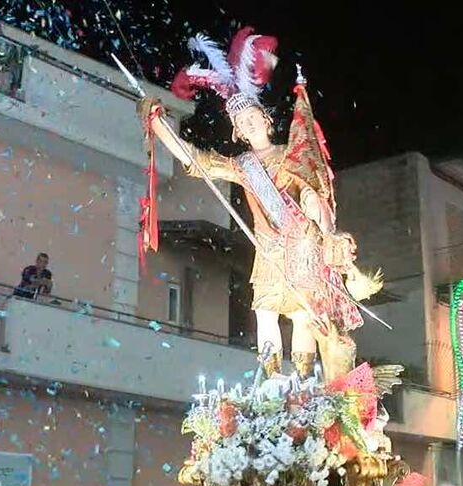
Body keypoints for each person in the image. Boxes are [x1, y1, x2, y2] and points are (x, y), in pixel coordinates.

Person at [140, 27, 381, 381]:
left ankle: (302, 383)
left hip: (300, 243)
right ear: (237, 131)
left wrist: (326, 232)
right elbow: (198, 161)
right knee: (265, 312)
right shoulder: (242, 166)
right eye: (240, 122)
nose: (247, 122)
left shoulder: (290, 154)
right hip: (268, 248)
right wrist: (160, 127)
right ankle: (271, 382)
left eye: (252, 116)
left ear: (266, 119)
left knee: (302, 315)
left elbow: (313, 193)